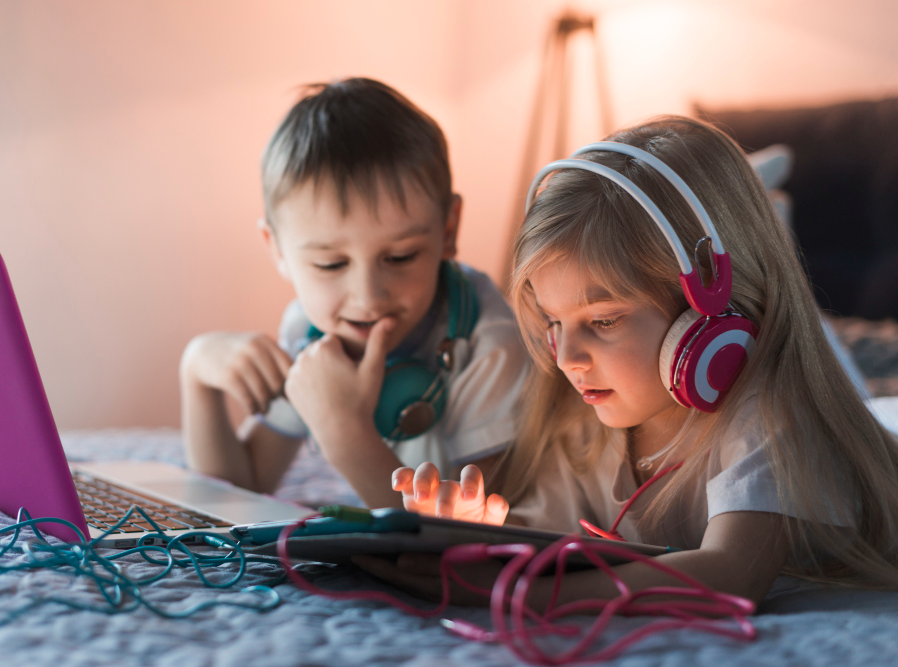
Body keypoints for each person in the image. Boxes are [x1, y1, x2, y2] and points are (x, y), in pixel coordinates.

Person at [372, 116, 898, 606]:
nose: (568, 359)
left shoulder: (768, 406)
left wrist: (519, 592)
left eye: (603, 321)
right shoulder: (586, 421)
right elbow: (547, 539)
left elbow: (731, 574)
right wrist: (477, 535)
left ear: (705, 321)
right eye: (554, 322)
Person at [179, 78, 529, 509]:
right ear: (277, 250)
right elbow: (235, 488)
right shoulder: (308, 330)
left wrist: (341, 431)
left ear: (448, 229)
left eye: (400, 257)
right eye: (331, 264)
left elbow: (470, 533)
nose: (368, 297)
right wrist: (196, 373)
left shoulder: (491, 346)